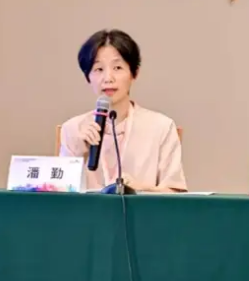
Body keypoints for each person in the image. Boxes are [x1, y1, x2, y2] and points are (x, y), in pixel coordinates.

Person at [59, 29, 187, 193]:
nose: (108, 78)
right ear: (88, 77)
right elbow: (59, 198)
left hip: (142, 210)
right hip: (88, 211)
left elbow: (176, 194)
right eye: (99, 69)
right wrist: (77, 157)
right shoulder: (72, 129)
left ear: (134, 73)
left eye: (117, 67)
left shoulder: (161, 127)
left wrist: (141, 189)